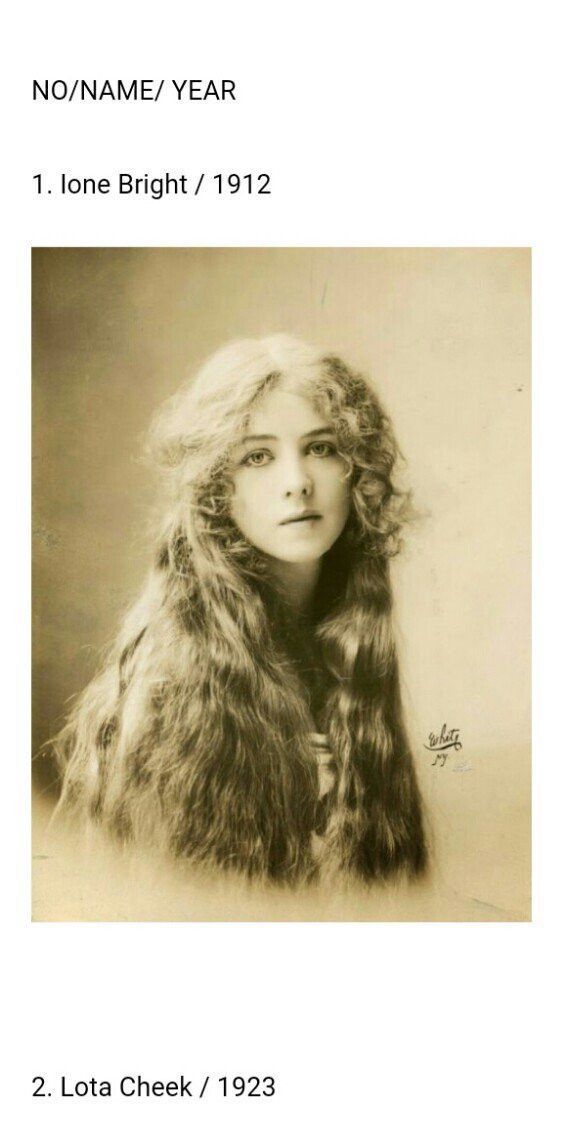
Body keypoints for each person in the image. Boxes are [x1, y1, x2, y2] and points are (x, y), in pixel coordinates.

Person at [54, 335, 427, 885]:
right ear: (215, 489)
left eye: (321, 448)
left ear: (359, 469)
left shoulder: (352, 619)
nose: (297, 484)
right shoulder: (170, 676)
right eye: (257, 457)